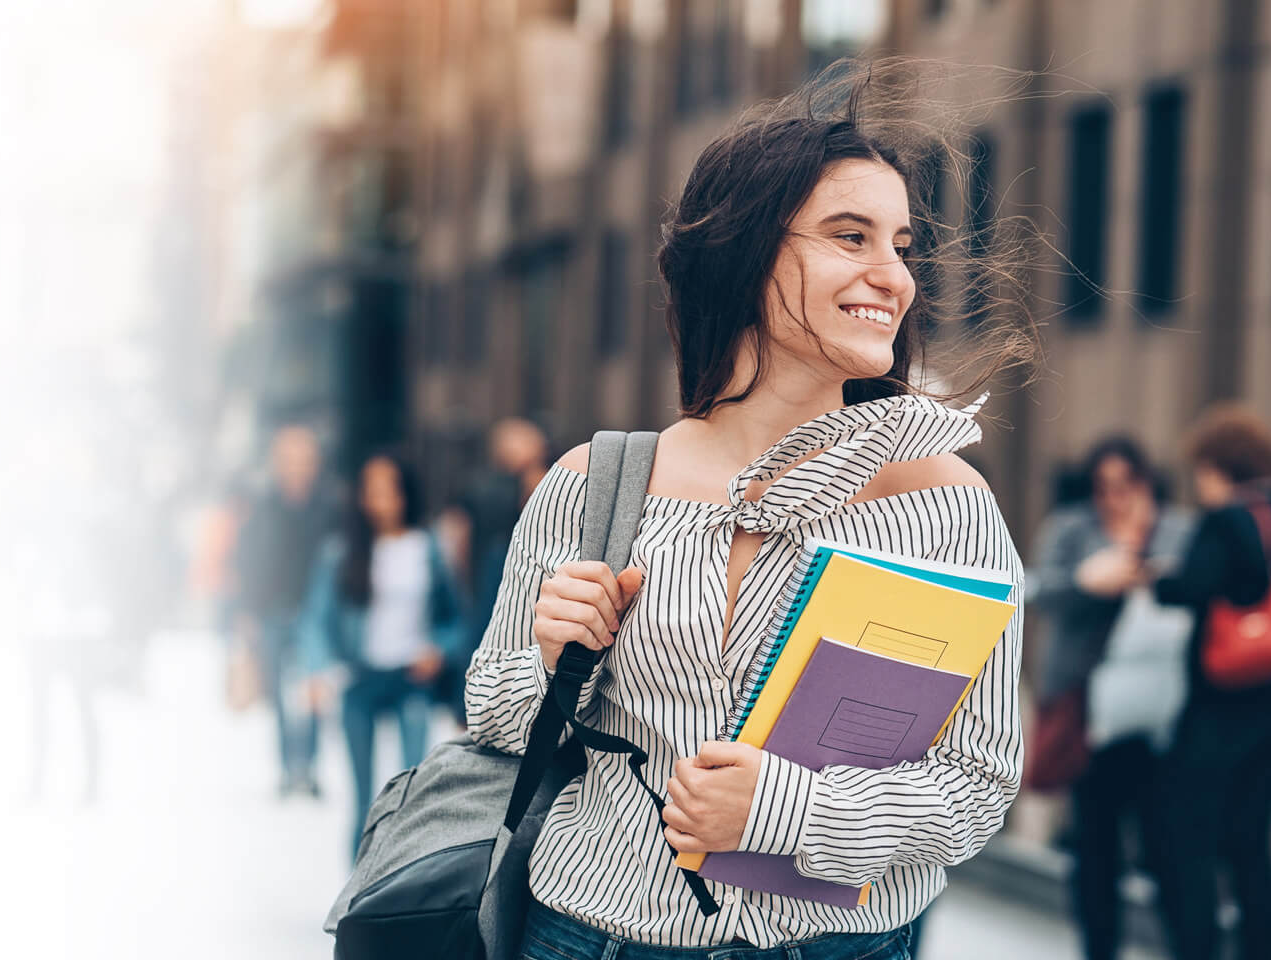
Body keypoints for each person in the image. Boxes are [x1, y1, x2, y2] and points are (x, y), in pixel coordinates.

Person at [464, 67, 1039, 958]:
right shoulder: (596, 483)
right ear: (743, 251)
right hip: (593, 935)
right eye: (851, 237)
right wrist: (545, 657)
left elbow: (977, 783)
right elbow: (496, 721)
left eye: (901, 246)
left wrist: (784, 810)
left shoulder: (945, 505)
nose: (893, 277)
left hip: (838, 945)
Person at [1152, 407, 1271, 960]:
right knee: (1250, 840)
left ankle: (1196, 950)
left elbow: (1192, 586)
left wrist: (1159, 578)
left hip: (1225, 708)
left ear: (1216, 466)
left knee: (1188, 840)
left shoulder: (1226, 520)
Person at [1030, 436, 1194, 960]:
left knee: (1168, 845)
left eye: (1127, 484)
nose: (1115, 498)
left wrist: (1145, 566)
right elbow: (1039, 591)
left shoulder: (1176, 529)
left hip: (1159, 712)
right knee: (1095, 845)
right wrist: (1088, 580)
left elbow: (1197, 592)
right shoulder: (1071, 528)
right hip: (1088, 708)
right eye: (1105, 486)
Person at [298, 450, 466, 858]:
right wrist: (317, 672)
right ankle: (355, 897)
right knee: (362, 799)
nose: (380, 501)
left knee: (411, 793)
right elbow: (316, 619)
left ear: (405, 494)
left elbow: (455, 619)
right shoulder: (341, 553)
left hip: (412, 679)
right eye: (371, 492)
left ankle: (396, 889)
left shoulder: (428, 549)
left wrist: (438, 650)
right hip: (361, 680)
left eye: (389, 491)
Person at [232, 424, 338, 799]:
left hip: (313, 613)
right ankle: (286, 767)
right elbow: (245, 560)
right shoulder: (262, 506)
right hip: (272, 611)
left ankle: (307, 766)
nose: (296, 467)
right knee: (277, 692)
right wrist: (247, 611)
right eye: (289, 460)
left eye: (304, 460)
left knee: (312, 691)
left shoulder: (328, 507)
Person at [444, 418, 551, 719]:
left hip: (506, 569)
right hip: (493, 571)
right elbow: (459, 538)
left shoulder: (536, 478)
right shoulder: (483, 487)